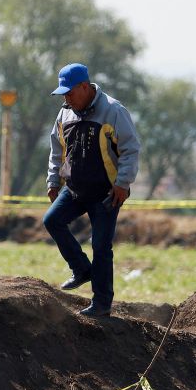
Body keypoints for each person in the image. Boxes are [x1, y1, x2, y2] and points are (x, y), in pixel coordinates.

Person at [44, 63, 141, 317]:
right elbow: (57, 150)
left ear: (85, 87)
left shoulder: (113, 111)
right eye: (63, 94)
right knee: (52, 220)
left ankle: (101, 304)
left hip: (107, 192)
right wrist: (53, 181)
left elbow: (130, 149)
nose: (66, 98)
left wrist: (123, 183)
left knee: (100, 245)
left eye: (70, 92)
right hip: (75, 188)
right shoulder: (65, 114)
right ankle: (81, 269)